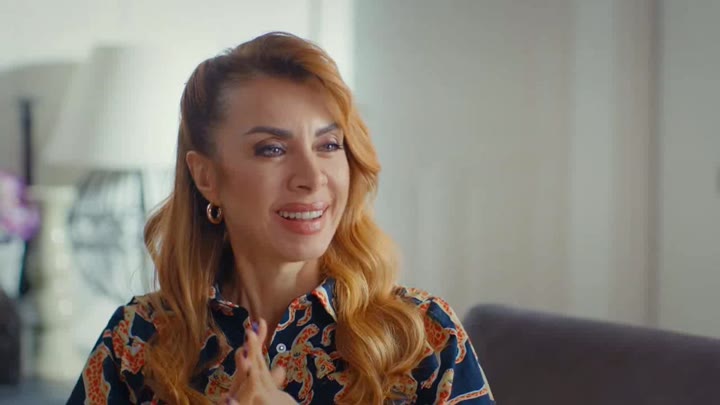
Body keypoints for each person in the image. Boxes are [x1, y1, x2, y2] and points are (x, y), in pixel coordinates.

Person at [67, 32, 495, 405]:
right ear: (206, 177)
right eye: (272, 149)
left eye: (329, 145)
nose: (312, 177)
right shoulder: (136, 340)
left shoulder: (423, 336)